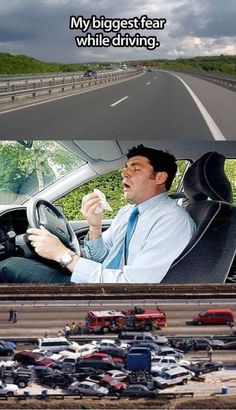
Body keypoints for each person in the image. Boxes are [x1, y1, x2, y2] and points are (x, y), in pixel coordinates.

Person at [0, 145, 196, 283]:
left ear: (160, 177)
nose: (124, 174)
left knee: (8, 265)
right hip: (102, 282)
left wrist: (62, 254)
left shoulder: (172, 221)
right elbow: (101, 257)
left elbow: (133, 285)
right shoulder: (128, 212)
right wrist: (94, 226)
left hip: (110, 298)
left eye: (135, 169)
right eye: (125, 169)